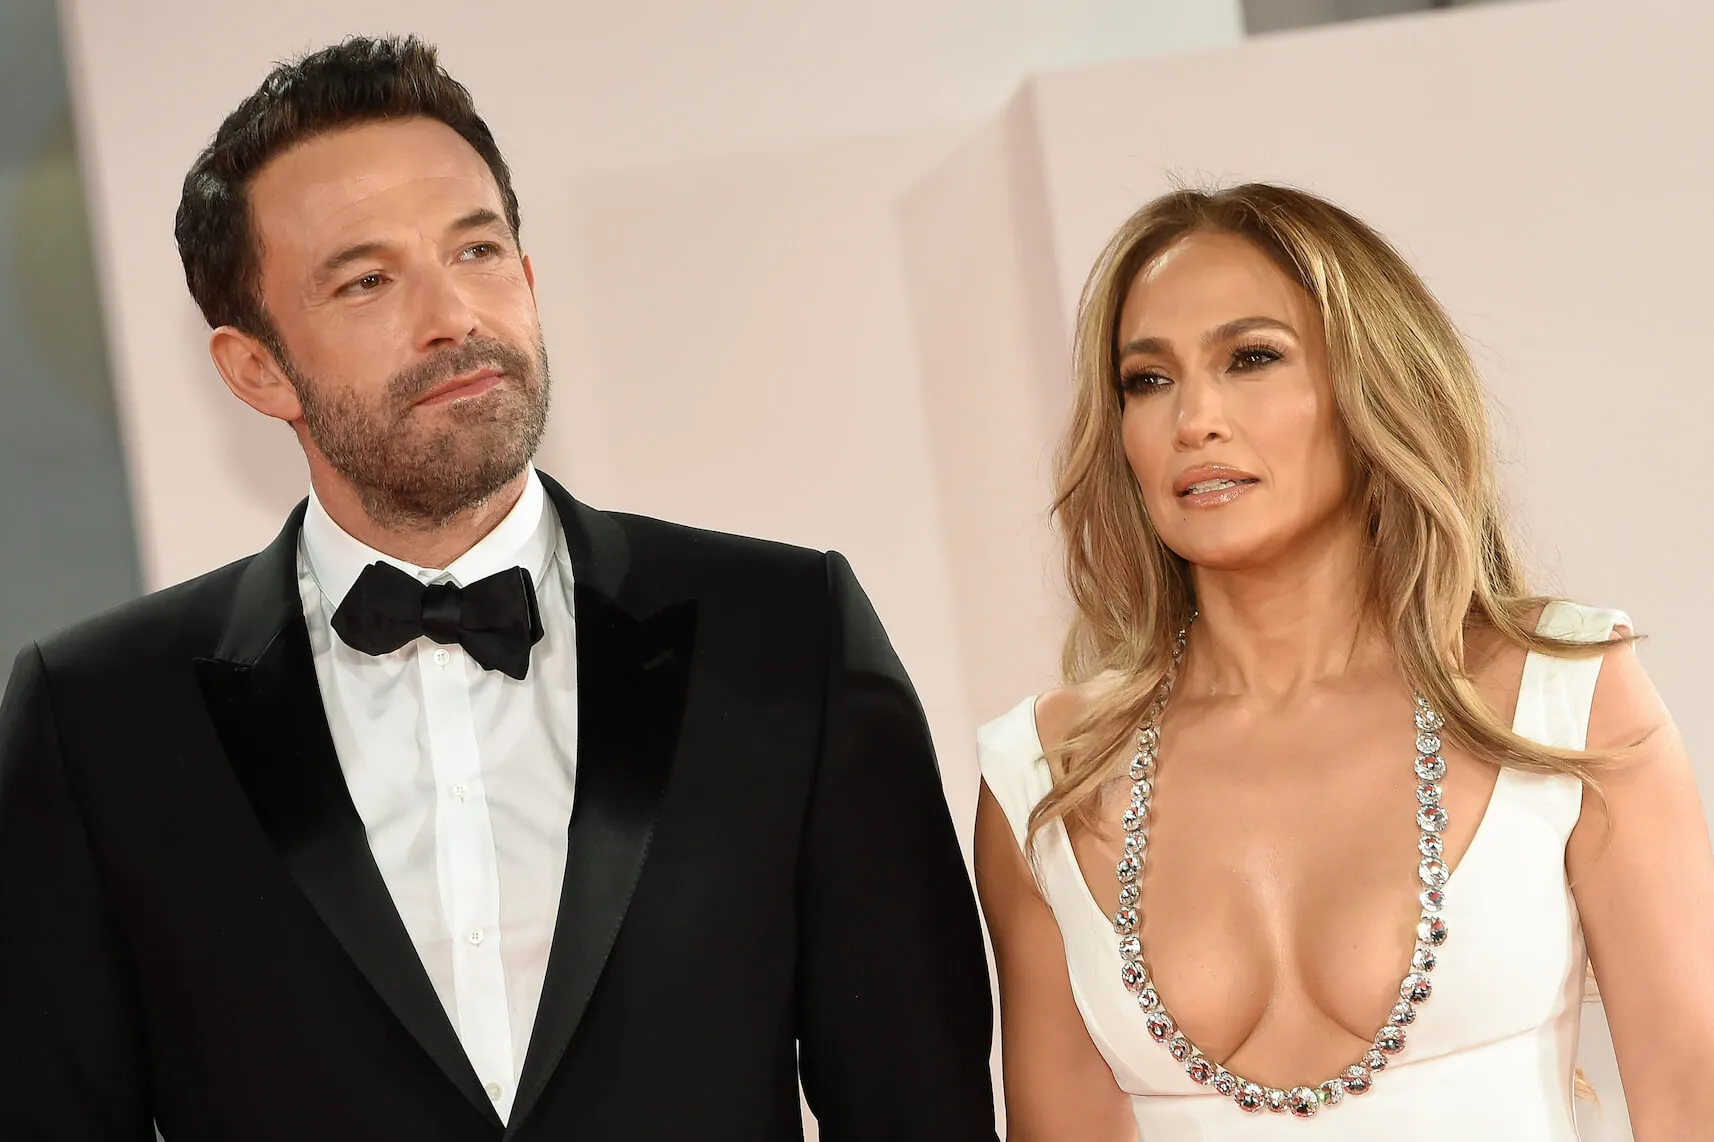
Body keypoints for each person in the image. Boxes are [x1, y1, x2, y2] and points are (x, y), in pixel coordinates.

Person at [0, 36, 996, 1141]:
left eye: (476, 251)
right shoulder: (98, 720)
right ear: (255, 366)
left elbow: (919, 1100)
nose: (453, 316)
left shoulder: (785, 634)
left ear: (527, 277)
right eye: (368, 279)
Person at [973, 183, 1714, 1139]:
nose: (1195, 417)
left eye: (1251, 359)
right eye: (1147, 380)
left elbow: (1692, 1100)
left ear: (1372, 386)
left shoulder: (1563, 690)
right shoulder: (1044, 774)